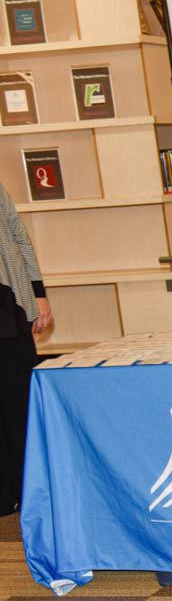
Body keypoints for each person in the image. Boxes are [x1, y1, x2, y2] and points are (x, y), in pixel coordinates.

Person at [0, 183, 52, 513]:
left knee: (20, 402)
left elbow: (19, 236)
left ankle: (27, 488)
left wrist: (39, 294)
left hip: (9, 305)